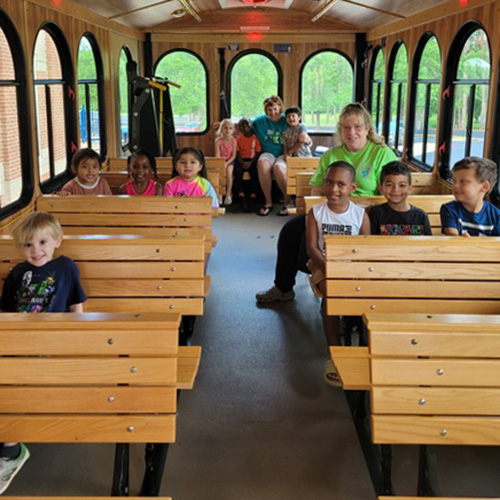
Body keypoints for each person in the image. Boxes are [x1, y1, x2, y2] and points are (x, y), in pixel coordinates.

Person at [256, 102, 397, 303]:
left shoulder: (382, 153)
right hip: (332, 210)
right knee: (291, 232)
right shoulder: (332, 155)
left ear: (367, 129)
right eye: (346, 127)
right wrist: (316, 216)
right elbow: (317, 189)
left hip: (367, 215)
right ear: (340, 130)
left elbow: (393, 189)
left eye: (358, 127)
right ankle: (284, 287)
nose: (352, 132)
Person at [0, 212, 86, 495]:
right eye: (27, 245)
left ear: (57, 241)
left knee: (20, 386)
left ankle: (10, 449)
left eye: (42, 242)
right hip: (20, 342)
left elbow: (75, 304)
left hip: (53, 342)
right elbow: (6, 312)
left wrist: (77, 341)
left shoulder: (66, 267)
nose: (35, 250)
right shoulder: (16, 273)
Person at [306, 162, 370, 386]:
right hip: (323, 264)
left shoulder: (360, 215)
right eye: (329, 182)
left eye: (341, 184)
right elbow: (312, 248)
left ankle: (365, 349)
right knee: (332, 295)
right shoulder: (316, 213)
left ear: (352, 187)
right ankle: (334, 351)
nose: (334, 189)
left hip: (352, 267)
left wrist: (351, 270)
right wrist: (331, 269)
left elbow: (365, 248)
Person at [252, 95, 291, 216]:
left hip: (283, 153)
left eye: (275, 109)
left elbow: (299, 129)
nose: (273, 112)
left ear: (280, 108)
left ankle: (287, 202)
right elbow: (245, 125)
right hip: (268, 152)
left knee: (278, 168)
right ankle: (268, 202)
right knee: (262, 165)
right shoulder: (260, 121)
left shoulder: (287, 120)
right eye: (269, 110)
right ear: (266, 111)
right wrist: (220, 125)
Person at [440, 157, 500, 236]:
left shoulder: (495, 215)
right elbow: (452, 237)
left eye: (463, 182)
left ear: (485, 186)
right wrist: (461, 240)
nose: (455, 186)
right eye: (454, 181)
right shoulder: (449, 209)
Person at [370, 161, 432, 235]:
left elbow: (427, 243)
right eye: (389, 185)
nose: (396, 190)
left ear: (410, 188)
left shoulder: (421, 216)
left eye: (402, 185)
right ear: (381, 188)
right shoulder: (376, 213)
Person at [235, 117, 261, 212]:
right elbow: (237, 153)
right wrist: (242, 162)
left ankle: (253, 196)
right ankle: (240, 195)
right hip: (241, 160)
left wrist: (250, 162)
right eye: (242, 125)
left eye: (247, 124)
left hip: (252, 160)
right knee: (238, 173)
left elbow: (258, 152)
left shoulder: (255, 138)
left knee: (255, 173)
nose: (245, 127)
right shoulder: (239, 139)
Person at [215, 118, 237, 206]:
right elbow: (217, 154)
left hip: (229, 161)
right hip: (220, 161)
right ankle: (220, 193)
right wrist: (221, 164)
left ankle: (228, 194)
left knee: (229, 172)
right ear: (221, 129)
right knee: (219, 173)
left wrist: (227, 164)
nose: (228, 130)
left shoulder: (233, 141)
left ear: (233, 130)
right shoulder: (218, 140)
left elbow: (233, 156)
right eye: (225, 128)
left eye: (230, 128)